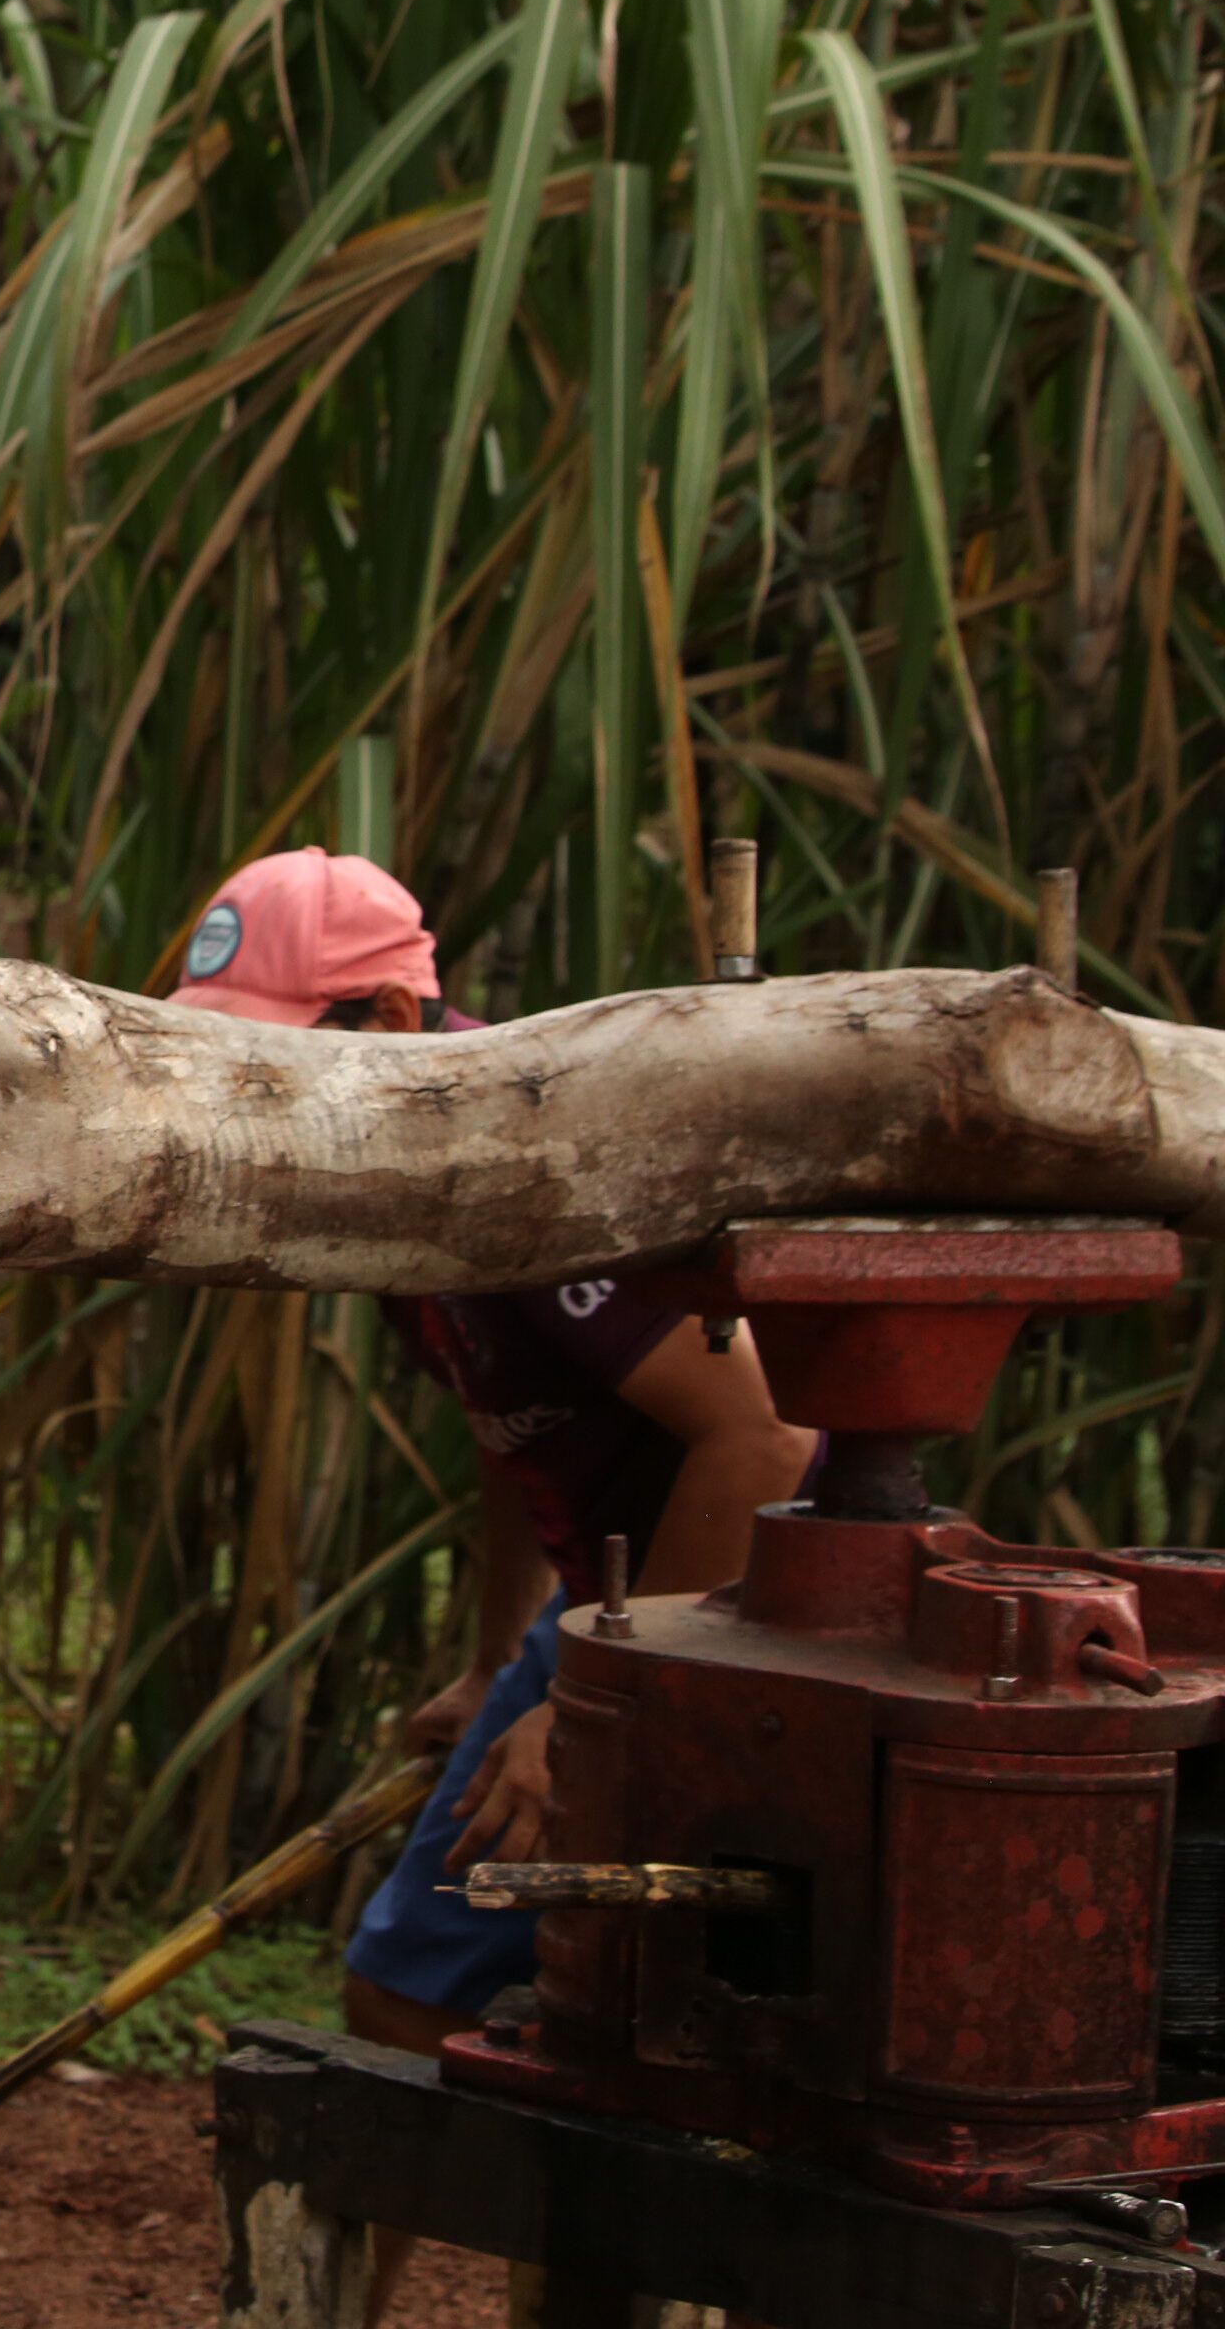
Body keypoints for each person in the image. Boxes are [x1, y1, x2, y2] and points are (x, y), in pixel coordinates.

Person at [173, 852, 818, 2084]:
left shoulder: (536, 1167)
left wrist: (591, 1708)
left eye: (273, 1063)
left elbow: (766, 1439)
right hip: (610, 1615)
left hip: (732, 1617)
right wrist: (494, 1664)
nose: (251, 1104)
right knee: (419, 1992)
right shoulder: (396, 1188)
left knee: (432, 1997)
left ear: (392, 1019)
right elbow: (511, 1424)